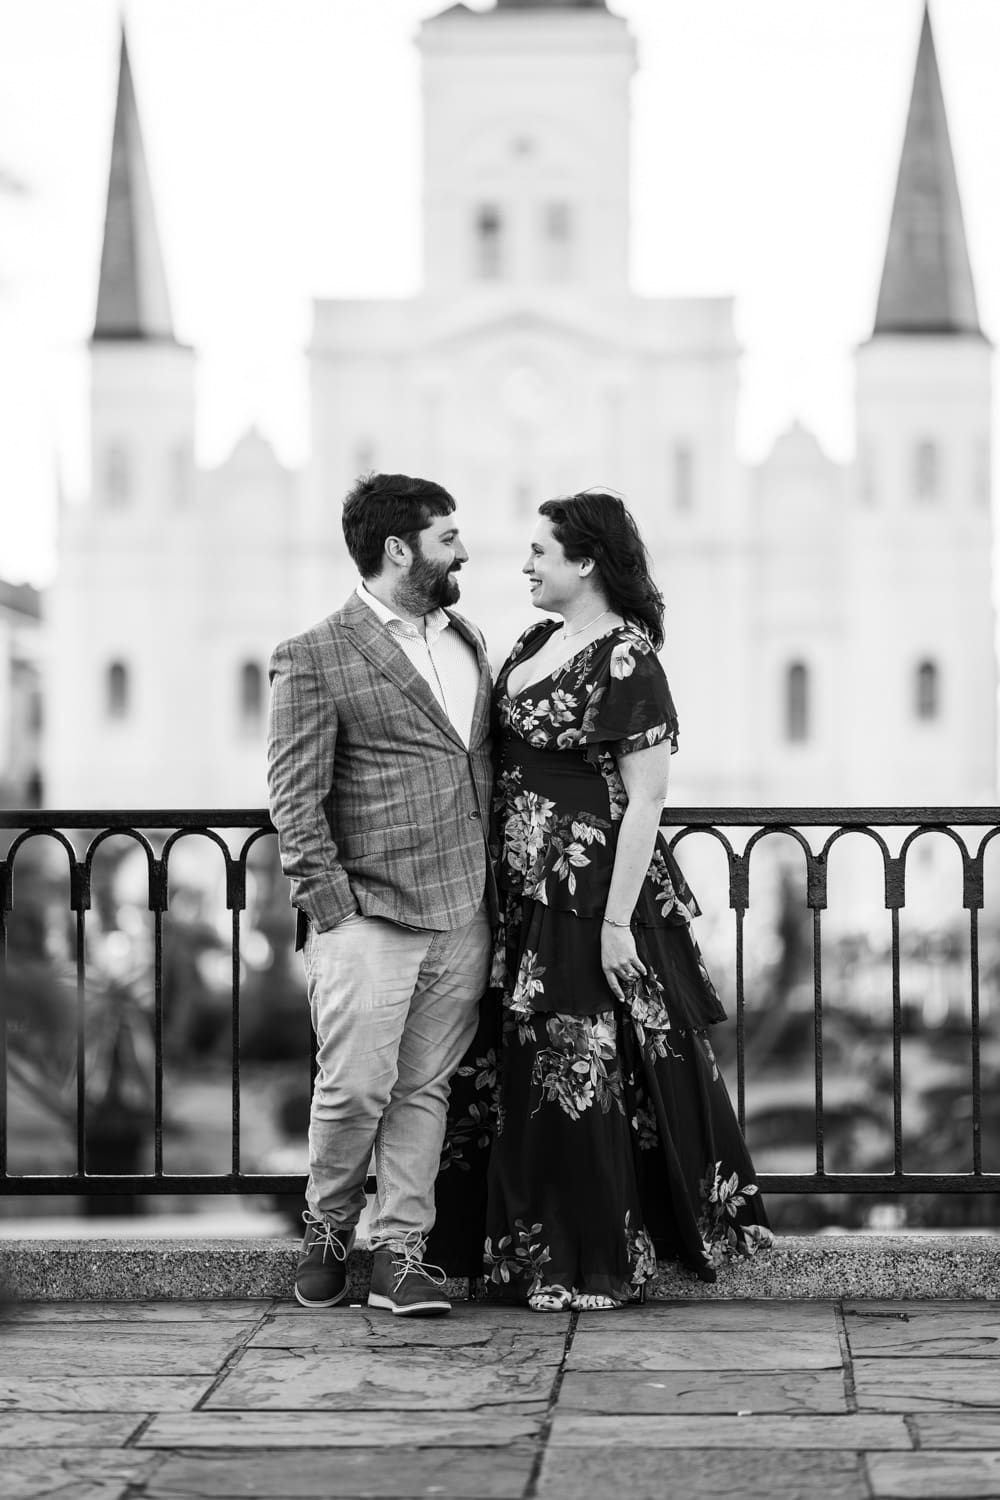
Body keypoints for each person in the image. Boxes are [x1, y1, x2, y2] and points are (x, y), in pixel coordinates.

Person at [473, 490, 773, 1311]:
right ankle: (522, 1252)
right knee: (529, 1065)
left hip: (587, 887)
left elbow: (646, 801)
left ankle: (586, 1259)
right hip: (522, 888)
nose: (526, 563)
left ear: (586, 561)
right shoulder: (536, 640)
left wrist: (614, 924)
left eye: (540, 550)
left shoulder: (626, 658)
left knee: (580, 1066)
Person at [266, 472, 494, 1316]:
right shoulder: (315, 653)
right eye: (447, 537)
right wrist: (334, 909)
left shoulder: (468, 639)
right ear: (399, 549)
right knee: (354, 1086)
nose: (464, 549)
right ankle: (328, 1224)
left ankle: (401, 1254)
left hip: (465, 911)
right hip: (368, 914)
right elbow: (295, 799)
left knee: (424, 1087)